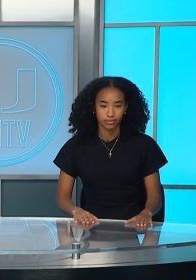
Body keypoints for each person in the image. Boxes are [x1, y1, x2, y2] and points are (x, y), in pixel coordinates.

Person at [54, 76, 167, 228]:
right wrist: (76, 211)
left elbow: (155, 197)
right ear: (93, 107)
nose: (110, 113)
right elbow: (62, 198)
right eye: (103, 106)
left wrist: (146, 213)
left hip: (133, 231)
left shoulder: (144, 145)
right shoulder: (76, 146)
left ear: (126, 107)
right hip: (91, 230)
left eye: (118, 105)